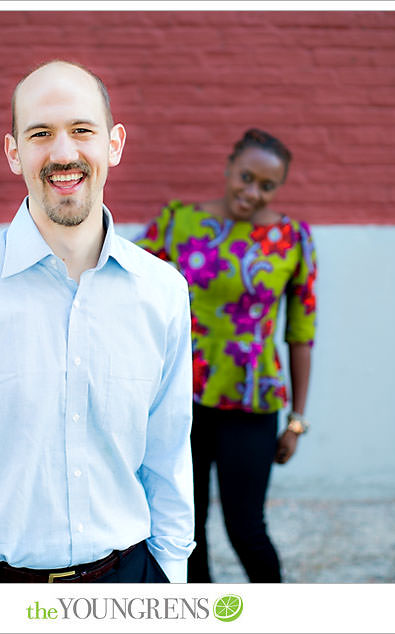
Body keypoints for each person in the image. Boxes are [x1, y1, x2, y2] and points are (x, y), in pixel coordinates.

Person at [0, 60, 195, 583]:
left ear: (114, 144)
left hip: (128, 582)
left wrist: (170, 575)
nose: (64, 153)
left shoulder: (161, 293)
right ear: (13, 152)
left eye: (82, 130)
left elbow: (167, 455)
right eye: (41, 133)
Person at [136, 128, 317, 583]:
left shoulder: (292, 238)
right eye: (246, 177)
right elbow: (127, 285)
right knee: (183, 530)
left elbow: (301, 332)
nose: (252, 192)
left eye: (267, 186)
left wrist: (297, 419)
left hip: (251, 403)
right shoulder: (179, 223)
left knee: (246, 529)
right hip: (180, 400)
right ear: (229, 168)